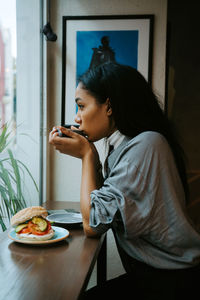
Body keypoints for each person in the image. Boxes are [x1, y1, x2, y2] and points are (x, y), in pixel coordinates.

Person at [49, 62, 200, 299]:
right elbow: (104, 210)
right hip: (157, 274)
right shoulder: (127, 144)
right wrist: (91, 155)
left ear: (108, 106)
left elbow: (93, 225)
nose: (77, 118)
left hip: (172, 281)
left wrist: (87, 156)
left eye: (81, 106)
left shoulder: (146, 145)